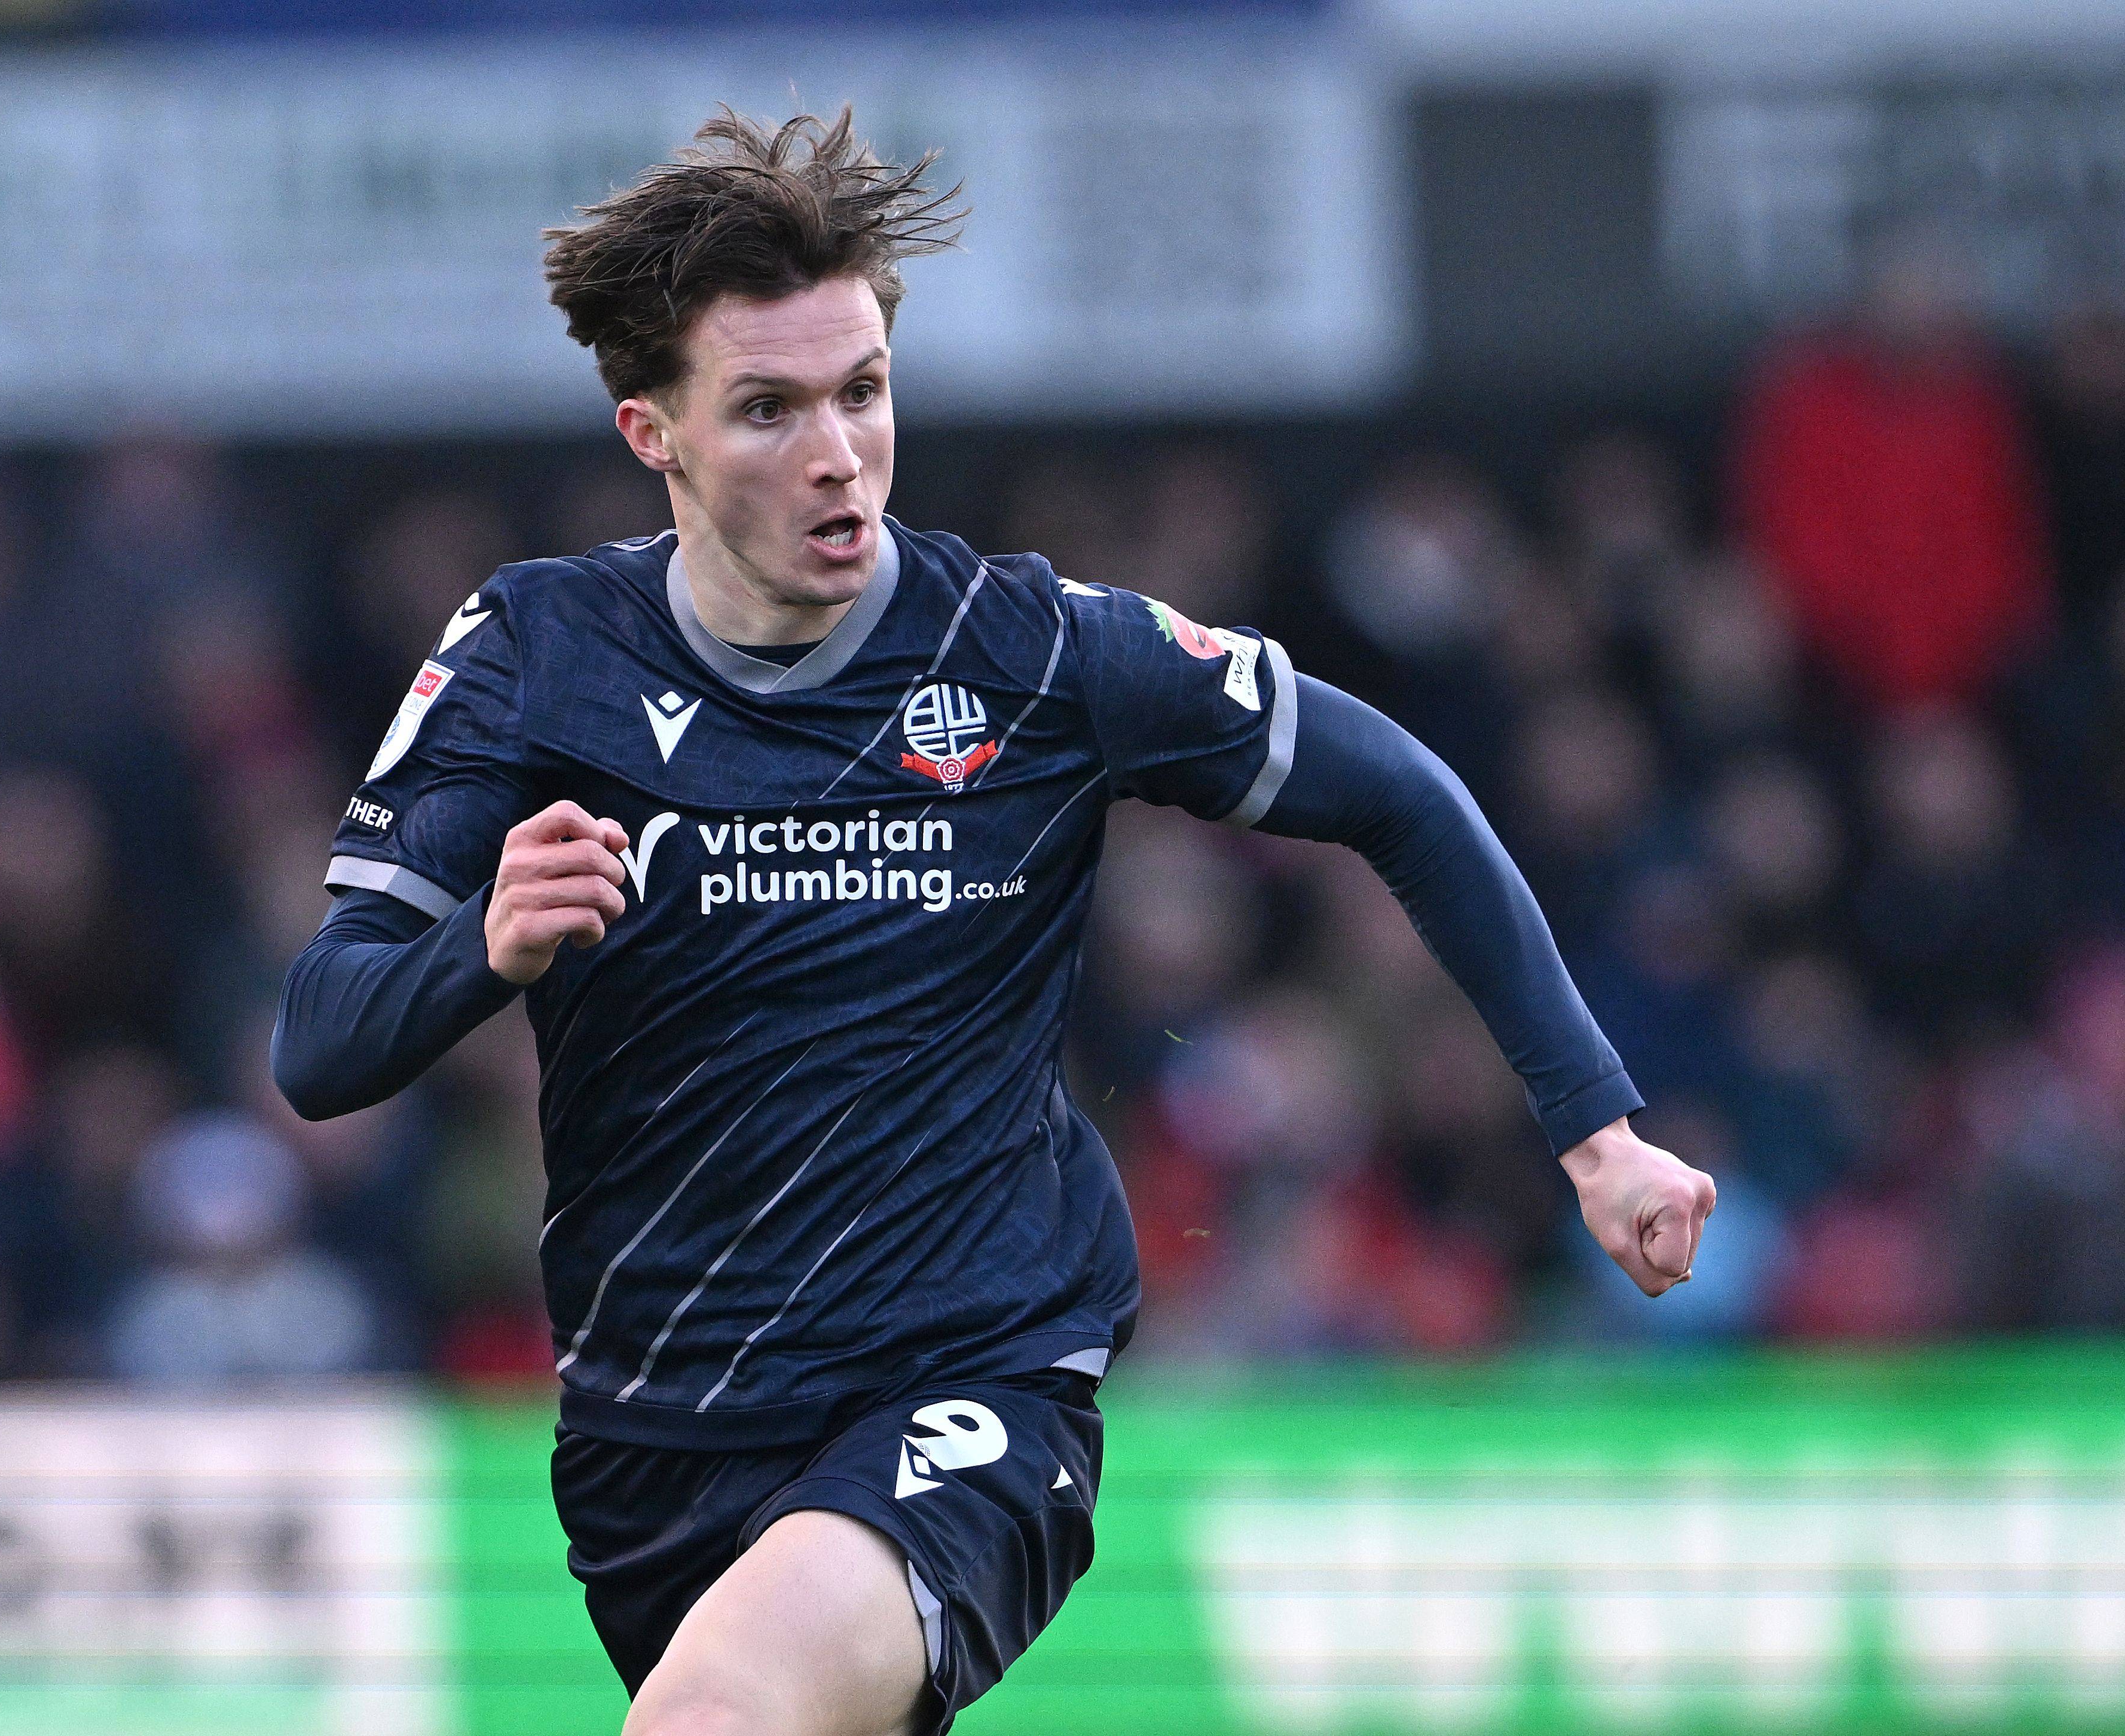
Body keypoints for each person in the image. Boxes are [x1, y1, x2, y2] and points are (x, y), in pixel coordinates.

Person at [271, 108, 1713, 1736]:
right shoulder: (535, 654)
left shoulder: (1027, 651)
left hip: (973, 1382)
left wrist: (1597, 1132)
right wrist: (484, 948)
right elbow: (321, 1041)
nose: (837, 450)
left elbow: (1396, 787)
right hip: (653, 1437)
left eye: (862, 392)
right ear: (652, 432)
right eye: (767, 408)